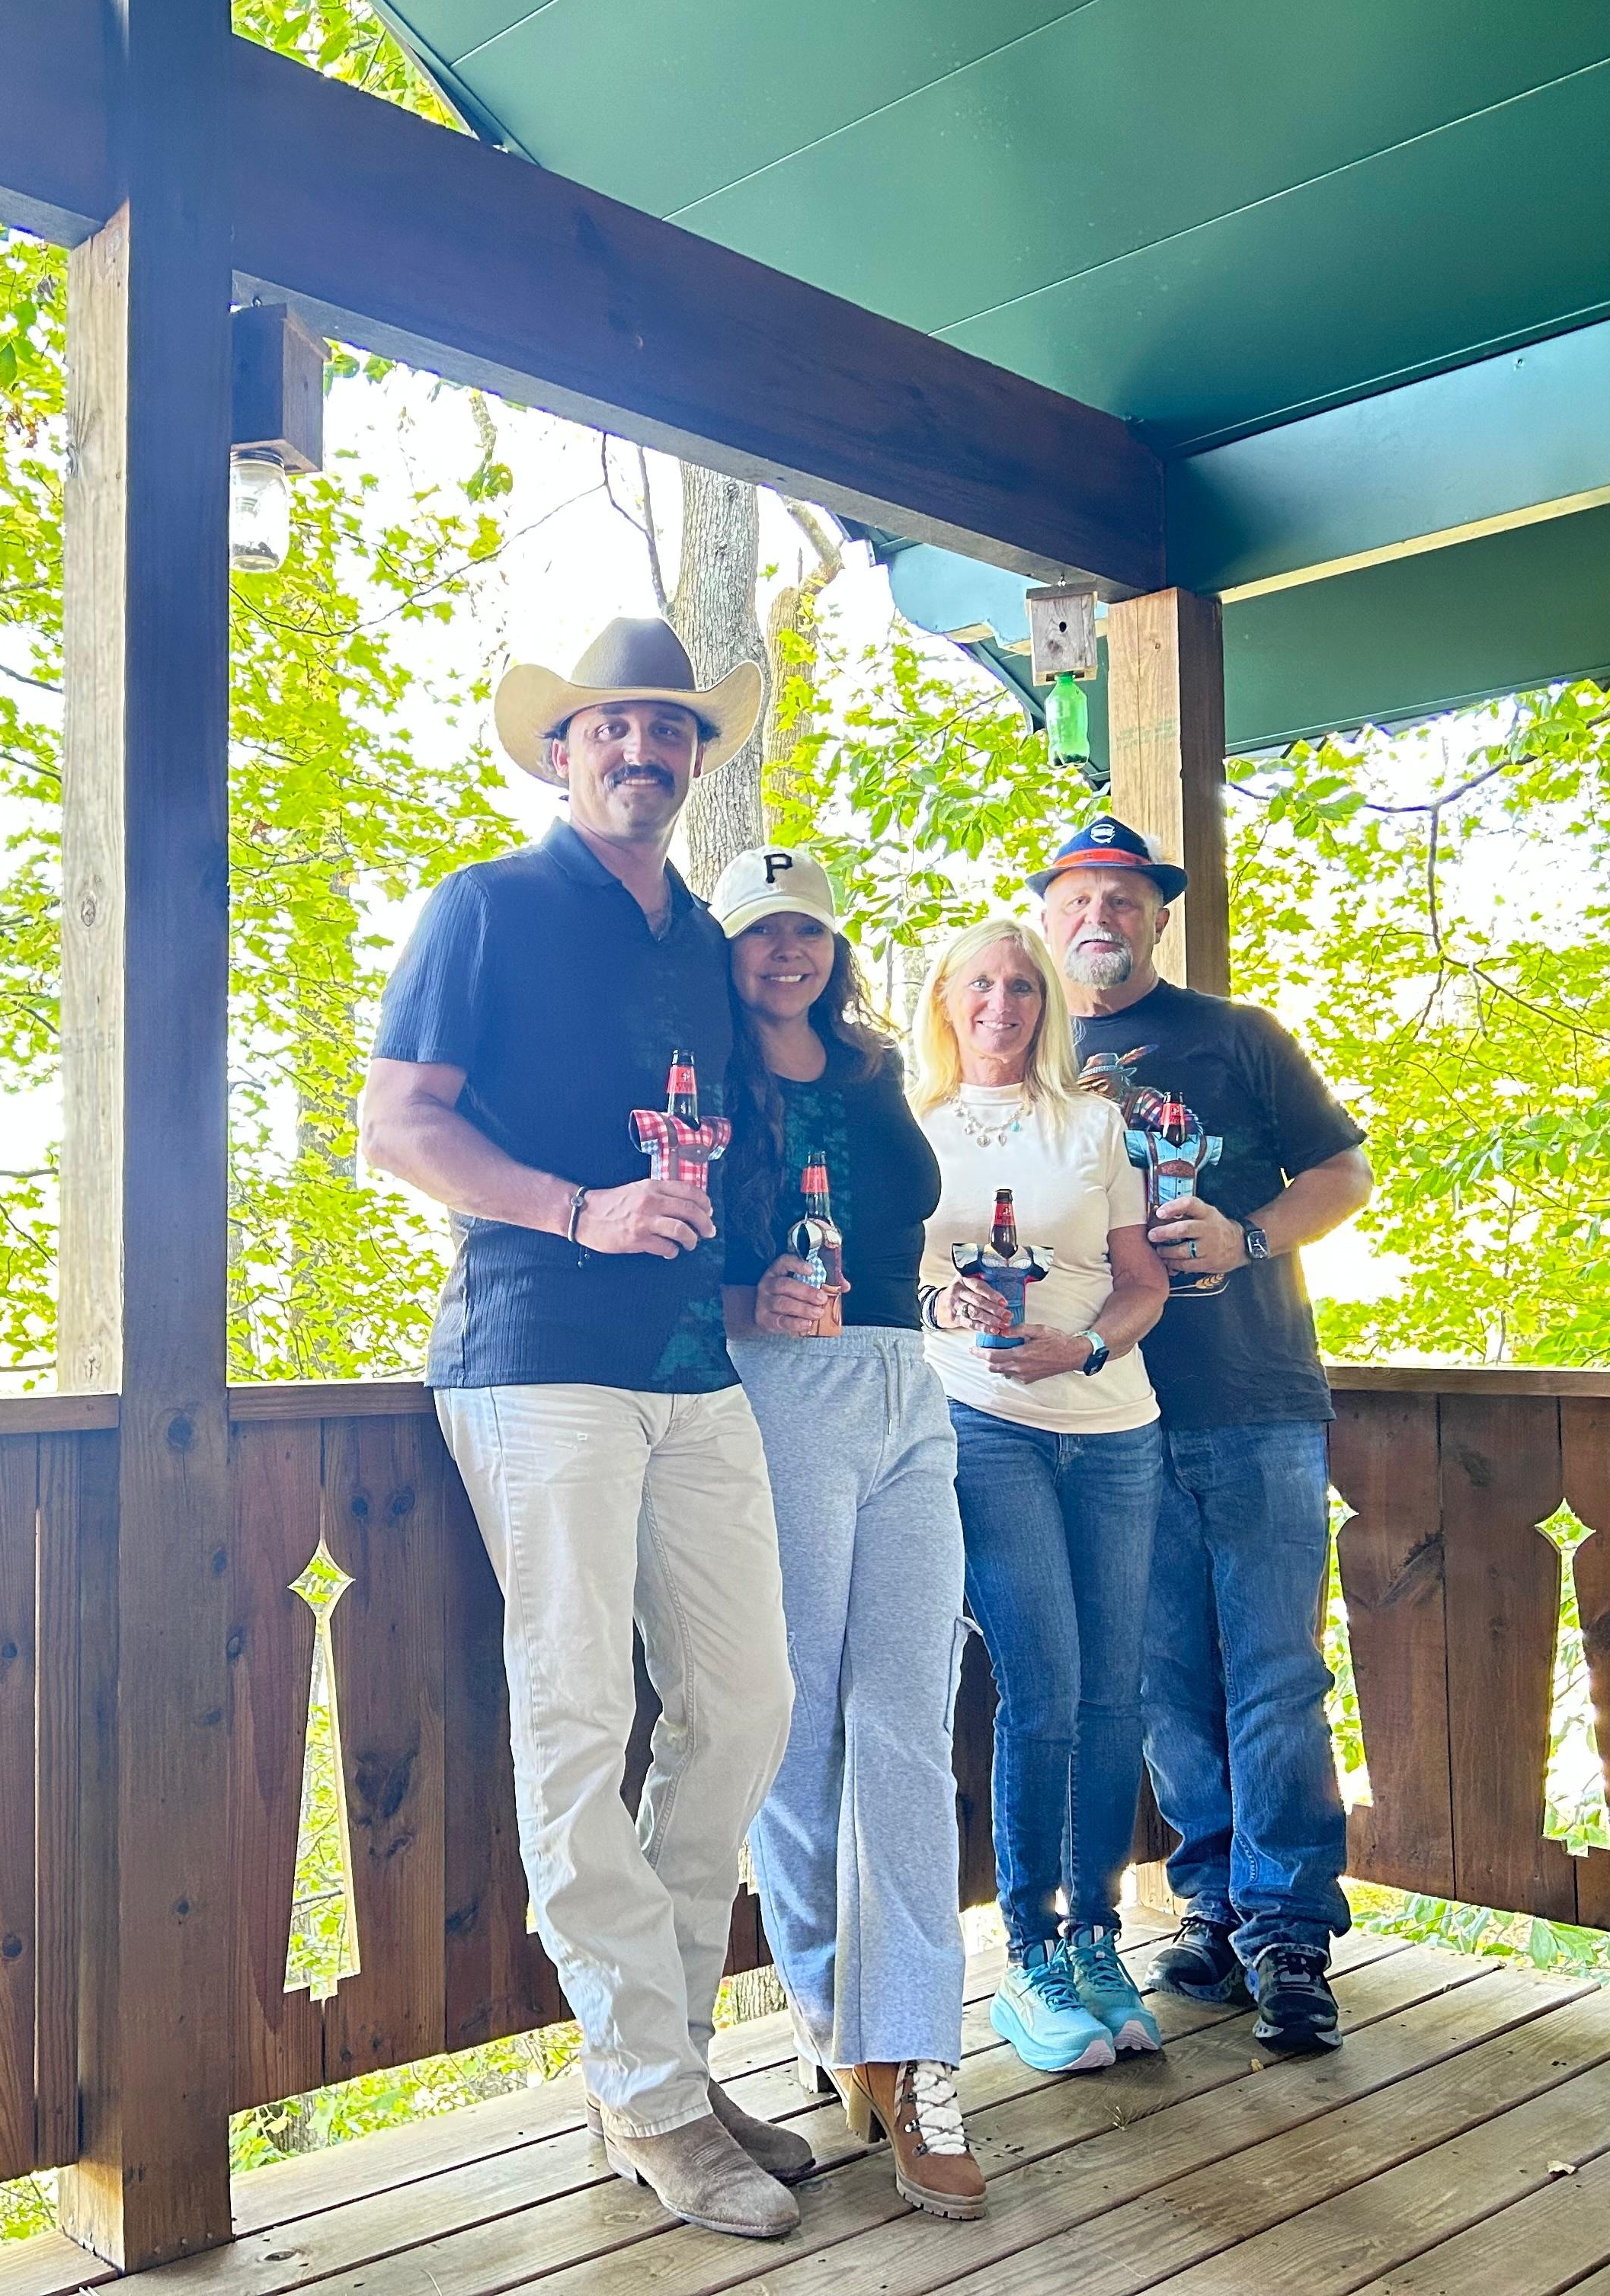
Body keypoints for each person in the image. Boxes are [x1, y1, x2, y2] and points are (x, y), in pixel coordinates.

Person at [359, 619, 804, 2241]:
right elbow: (396, 1122)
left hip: (696, 1367)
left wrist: (764, 1285)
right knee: (574, 1712)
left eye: (670, 734)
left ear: (697, 761)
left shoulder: (702, 938)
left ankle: (661, 2060)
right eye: (612, 729)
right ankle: (654, 2094)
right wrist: (575, 1210)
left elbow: (726, 1141)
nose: (642, 754)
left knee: (745, 1698)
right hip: (534, 1358)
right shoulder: (487, 906)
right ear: (563, 753)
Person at [1033, 816, 1373, 2055]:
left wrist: (1253, 1235)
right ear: (1049, 915)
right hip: (1110, 1417)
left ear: (1157, 917)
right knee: (1164, 1673)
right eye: (1079, 898)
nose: (1100, 919)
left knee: (1277, 1670)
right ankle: (1215, 1908)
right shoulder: (1030, 1054)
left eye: (1125, 899)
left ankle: (1291, 1931)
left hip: (1257, 1400)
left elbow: (1343, 1173)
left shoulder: (1238, 1036)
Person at [714, 845, 983, 2221]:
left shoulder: (874, 1075)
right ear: (730, 945)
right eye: (764, 931)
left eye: (807, 929)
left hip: (903, 1384)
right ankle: (845, 2028)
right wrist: (743, 1302)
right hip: (780, 1393)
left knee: (909, 1722)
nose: (789, 953)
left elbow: (907, 1232)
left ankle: (922, 2048)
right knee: (800, 1720)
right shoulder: (702, 1076)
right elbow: (662, 1247)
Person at [909, 916, 1170, 2074]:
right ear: (947, 1001)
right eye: (981, 985)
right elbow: (895, 1285)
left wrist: (1091, 1353)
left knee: (1115, 1695)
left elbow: (1142, 1278)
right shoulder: (911, 1129)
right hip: (985, 1431)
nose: (1003, 1004)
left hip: (1116, 1432)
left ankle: (1099, 1940)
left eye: (1021, 986)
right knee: (1046, 1688)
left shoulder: (1096, 1124)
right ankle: (1030, 1958)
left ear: (1043, 1003)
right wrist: (955, 1312)